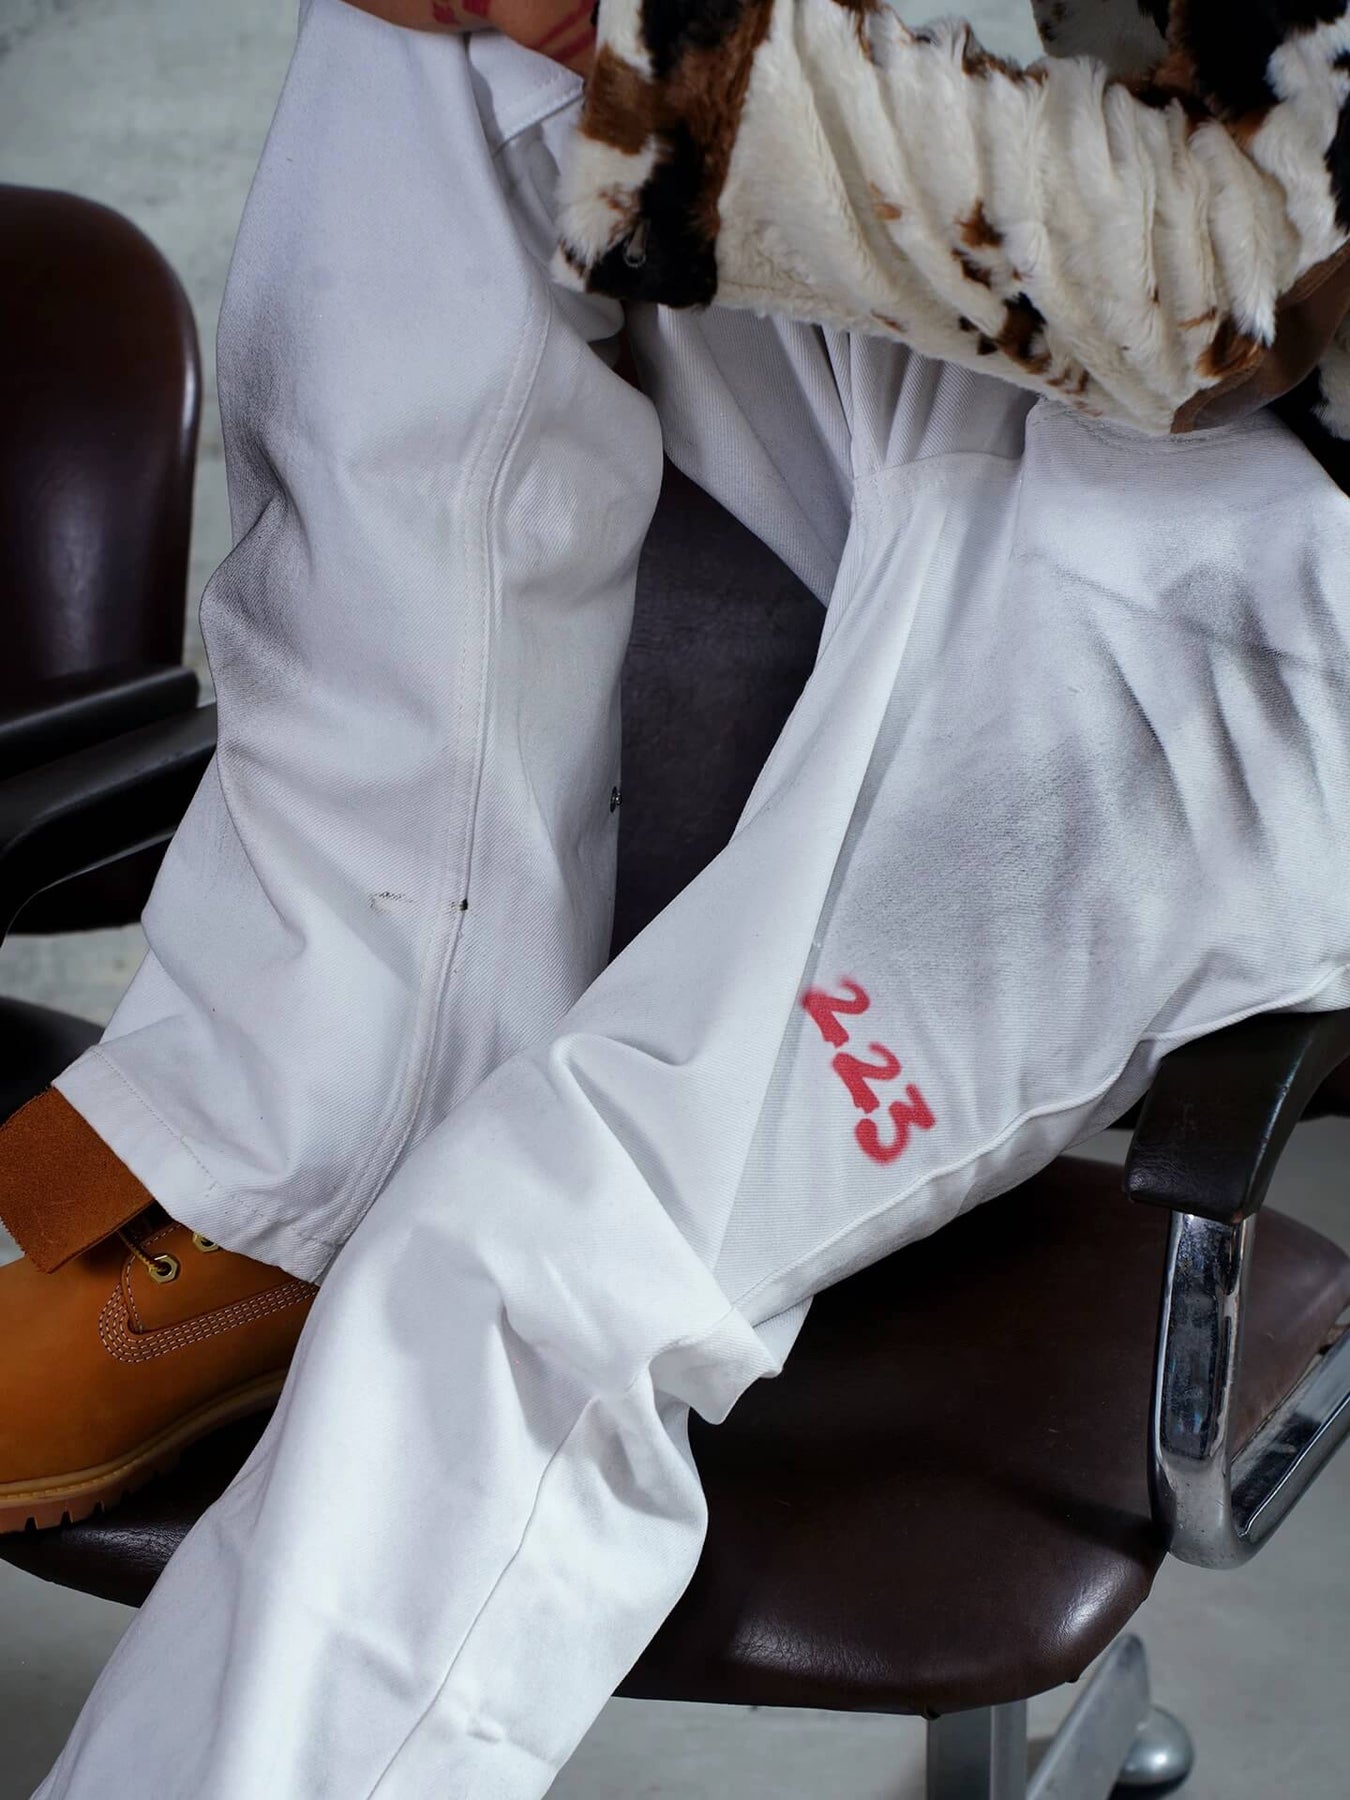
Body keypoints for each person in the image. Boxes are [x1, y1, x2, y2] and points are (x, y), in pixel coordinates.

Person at [5, 0, 1350, 1792]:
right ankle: (315, 1125)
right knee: (441, 52)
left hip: (1262, 609)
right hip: (1066, 370)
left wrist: (644, 39)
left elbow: (1242, 278)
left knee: (534, 1271)